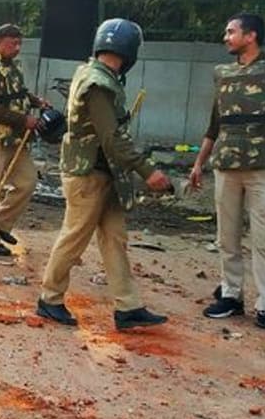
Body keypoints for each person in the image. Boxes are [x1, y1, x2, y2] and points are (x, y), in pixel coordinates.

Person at [36, 18, 173, 330]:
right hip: (88, 175)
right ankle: (49, 299)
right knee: (74, 237)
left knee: (114, 238)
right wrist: (148, 171)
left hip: (102, 173)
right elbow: (112, 137)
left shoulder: (89, 73)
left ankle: (129, 306)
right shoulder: (99, 84)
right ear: (129, 51)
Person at [189, 12, 265, 337]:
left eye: (231, 32)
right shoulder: (222, 73)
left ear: (251, 35)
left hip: (264, 166)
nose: (225, 37)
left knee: (263, 239)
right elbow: (215, 124)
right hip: (226, 165)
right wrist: (199, 162)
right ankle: (231, 295)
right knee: (226, 236)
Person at [0, 23, 49, 256]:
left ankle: (0, 225)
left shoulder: (11, 67)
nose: (17, 47)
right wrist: (25, 120)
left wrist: (36, 102)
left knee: (27, 181)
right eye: (13, 42)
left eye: (19, 43)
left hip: (14, 137)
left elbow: (18, 92)